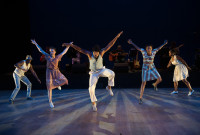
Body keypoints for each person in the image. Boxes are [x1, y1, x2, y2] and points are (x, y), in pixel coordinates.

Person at [63, 31, 123, 111]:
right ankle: (94, 104)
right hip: (94, 73)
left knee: (112, 73)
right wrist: (70, 45)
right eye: (94, 53)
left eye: (96, 53)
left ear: (99, 52)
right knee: (91, 89)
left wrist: (117, 36)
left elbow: (110, 44)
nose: (95, 54)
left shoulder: (102, 52)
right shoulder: (89, 54)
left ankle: (108, 87)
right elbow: (80, 49)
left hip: (102, 70)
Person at [31, 39, 72, 108]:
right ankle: (50, 101)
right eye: (50, 51)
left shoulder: (58, 57)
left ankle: (57, 85)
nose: (51, 52)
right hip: (49, 72)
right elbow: (40, 50)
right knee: (49, 88)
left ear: (55, 52)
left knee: (65, 80)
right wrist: (35, 43)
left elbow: (64, 52)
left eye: (52, 51)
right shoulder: (47, 56)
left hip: (56, 71)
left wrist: (68, 46)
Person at [128, 39, 168, 104]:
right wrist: (132, 42)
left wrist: (164, 44)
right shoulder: (143, 51)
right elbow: (138, 48)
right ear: (146, 49)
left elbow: (159, 48)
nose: (149, 49)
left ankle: (155, 84)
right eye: (147, 48)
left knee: (160, 79)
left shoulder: (154, 51)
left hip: (152, 67)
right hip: (145, 68)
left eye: (150, 48)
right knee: (143, 83)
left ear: (152, 49)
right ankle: (140, 98)